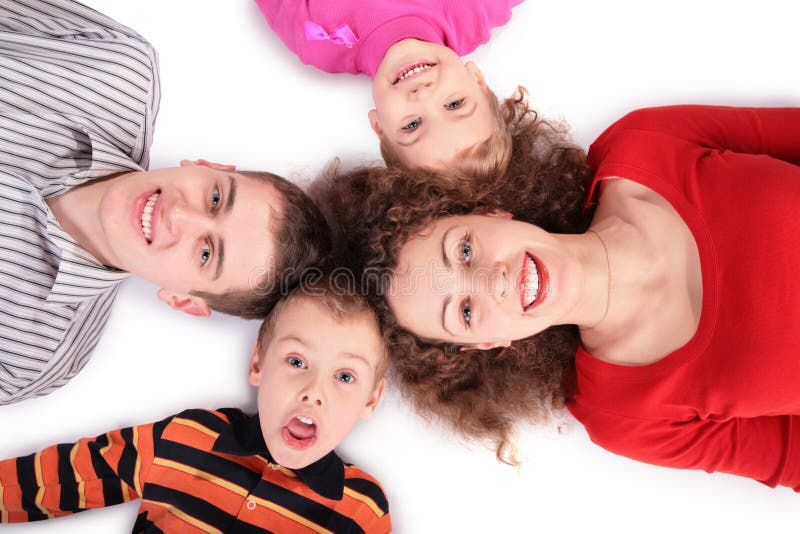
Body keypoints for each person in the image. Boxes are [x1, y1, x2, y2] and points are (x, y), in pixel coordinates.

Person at [326, 99, 800, 490]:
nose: (494, 281)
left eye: (465, 250)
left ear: (491, 211)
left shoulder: (640, 143)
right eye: (466, 311)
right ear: (487, 345)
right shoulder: (622, 414)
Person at [0, 0, 331, 404]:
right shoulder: (115, 68)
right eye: (214, 197)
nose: (177, 214)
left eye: (206, 253)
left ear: (183, 301)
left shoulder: (31, 358)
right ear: (208, 164)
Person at [0, 273, 391, 532]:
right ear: (258, 363)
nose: (313, 391)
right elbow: (71, 475)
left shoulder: (360, 508)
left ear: (370, 399)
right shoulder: (190, 436)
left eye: (344, 377)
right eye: (296, 362)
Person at [254, 0, 523, 176]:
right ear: (476, 79)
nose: (423, 95)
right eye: (454, 104)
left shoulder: (315, 40)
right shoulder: (475, 10)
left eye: (413, 125)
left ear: (379, 126)